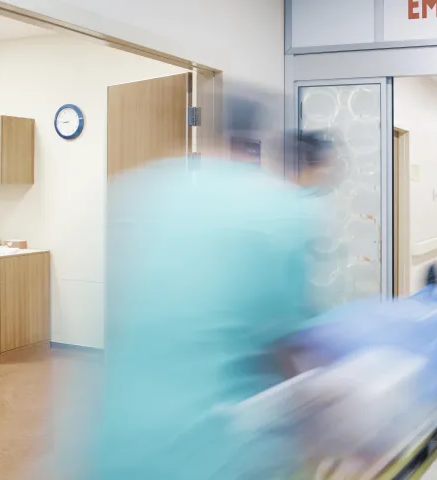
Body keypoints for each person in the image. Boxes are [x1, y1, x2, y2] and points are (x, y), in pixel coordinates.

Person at [90, 92, 335, 479]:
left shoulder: (145, 191)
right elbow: (287, 345)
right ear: (258, 143)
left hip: (118, 440)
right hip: (214, 450)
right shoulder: (276, 209)